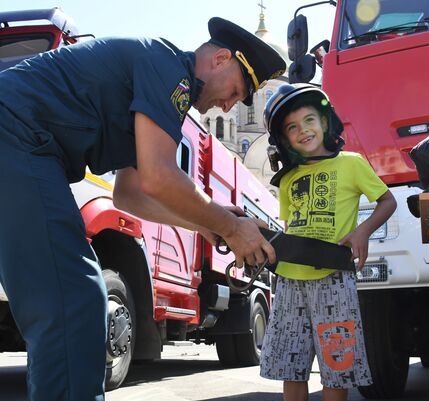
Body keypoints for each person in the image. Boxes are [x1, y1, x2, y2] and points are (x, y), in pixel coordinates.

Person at [0, 17, 285, 401]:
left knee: (72, 300)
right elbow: (159, 176)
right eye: (236, 91)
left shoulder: (158, 81)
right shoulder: (171, 69)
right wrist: (231, 228)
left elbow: (131, 194)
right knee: (76, 301)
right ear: (220, 59)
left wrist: (206, 225)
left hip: (19, 141)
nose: (228, 104)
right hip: (15, 134)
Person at [260, 84, 397, 401]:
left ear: (324, 122)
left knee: (338, 365)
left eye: (309, 120)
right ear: (284, 139)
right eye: (292, 127)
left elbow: (387, 201)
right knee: (290, 365)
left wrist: (362, 231)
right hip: (290, 280)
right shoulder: (287, 179)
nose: (303, 131)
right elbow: (290, 224)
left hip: (334, 277)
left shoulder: (352, 163)